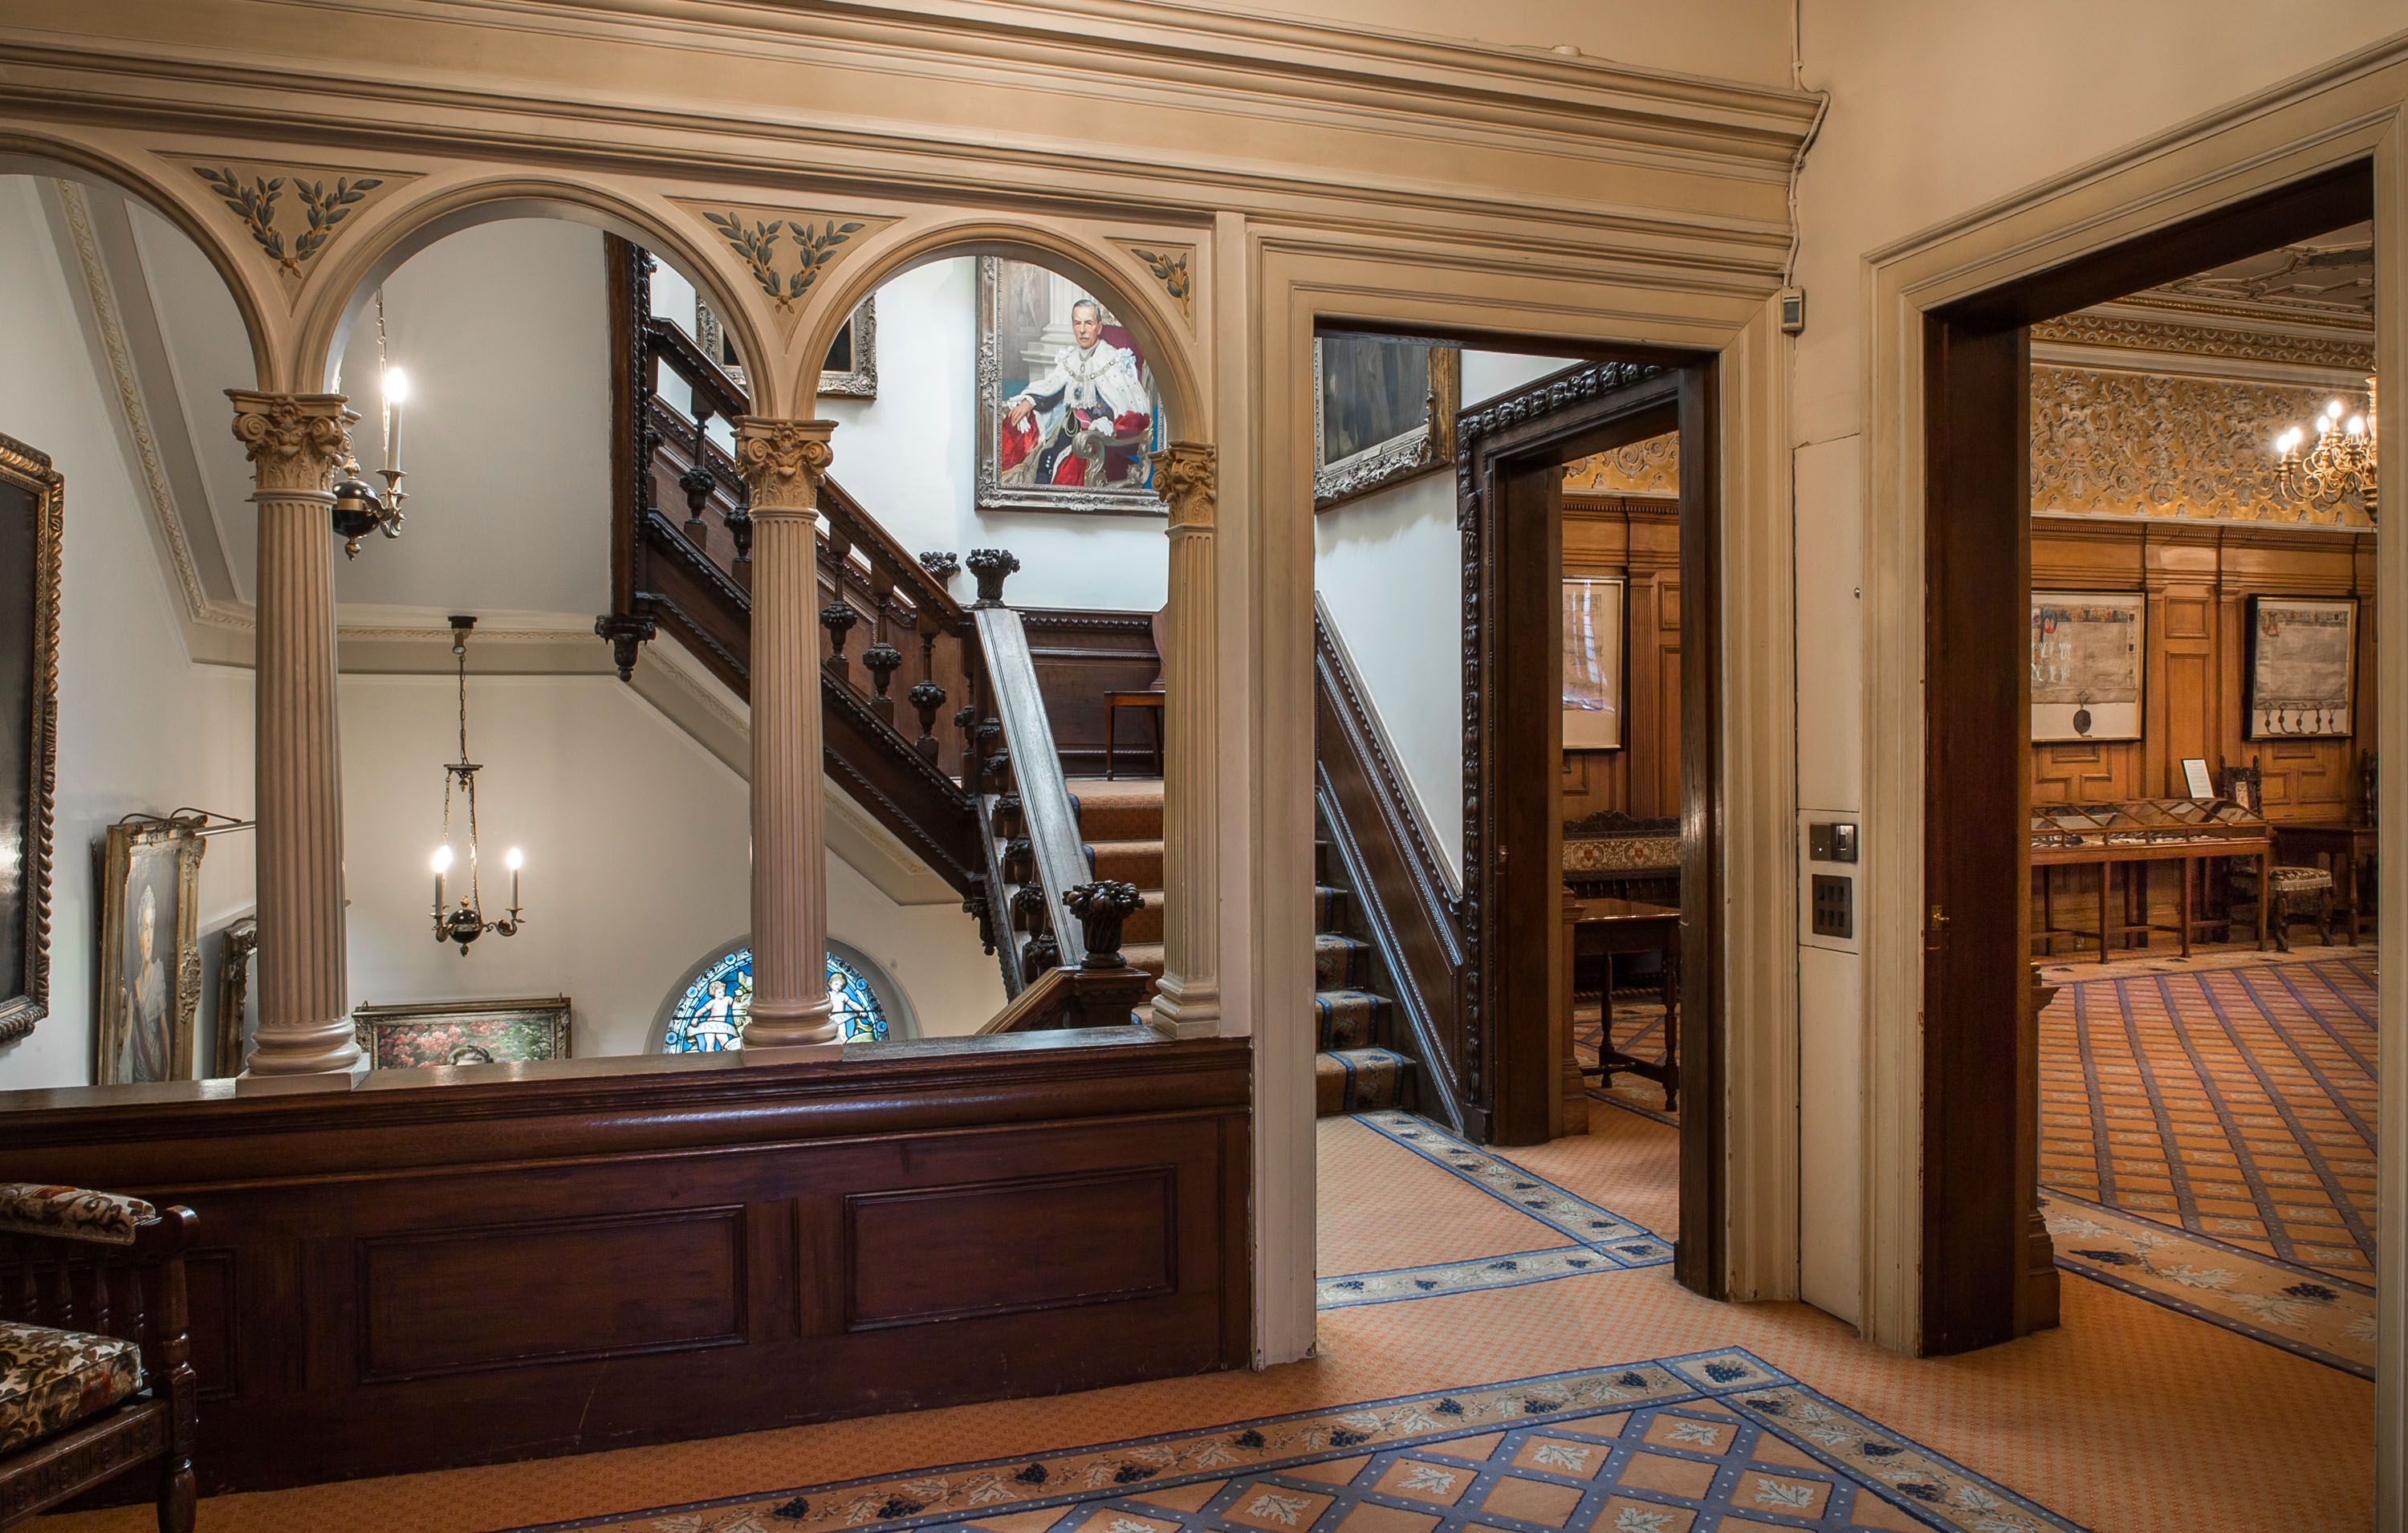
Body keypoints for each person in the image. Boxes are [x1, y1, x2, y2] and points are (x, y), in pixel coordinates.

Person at [1000, 297, 1152, 488]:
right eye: (1077, 323)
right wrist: (1029, 401)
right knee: (1042, 455)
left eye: (1088, 323)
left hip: (1097, 442)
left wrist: (1104, 423)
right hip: (1067, 431)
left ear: (1099, 327)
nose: (1082, 330)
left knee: (1062, 465)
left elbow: (1130, 411)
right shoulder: (1070, 358)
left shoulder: (1113, 359)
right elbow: (1051, 391)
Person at [121, 881, 169, 1082]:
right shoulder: (133, 989)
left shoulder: (158, 975)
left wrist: (169, 1071)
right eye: (145, 928)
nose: (148, 937)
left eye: (152, 928)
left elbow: (164, 1028)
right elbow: (126, 1043)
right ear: (139, 935)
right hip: (139, 1076)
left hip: (156, 1069)